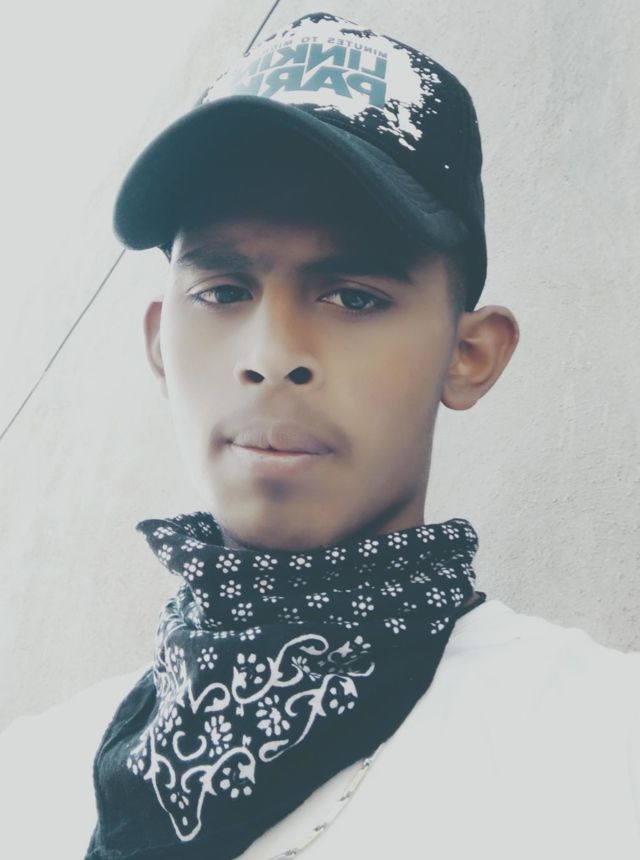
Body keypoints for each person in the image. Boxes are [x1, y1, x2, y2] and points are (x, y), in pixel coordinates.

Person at [1, 11, 639, 860]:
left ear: (469, 355)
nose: (271, 356)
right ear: (158, 341)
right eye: (223, 291)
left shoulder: (600, 754)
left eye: (354, 296)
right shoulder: (28, 778)